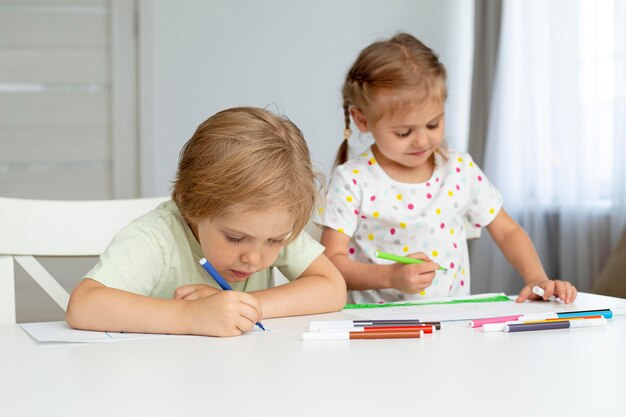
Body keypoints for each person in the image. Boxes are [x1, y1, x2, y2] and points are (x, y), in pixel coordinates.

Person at [316, 33, 577, 305]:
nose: (422, 140)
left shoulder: (459, 169)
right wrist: (390, 276)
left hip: (450, 322)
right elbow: (331, 263)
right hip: (376, 326)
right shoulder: (353, 180)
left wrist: (536, 278)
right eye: (404, 132)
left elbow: (507, 231)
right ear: (362, 120)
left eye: (433, 124)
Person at [66, 107, 347, 337]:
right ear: (191, 205)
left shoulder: (271, 223)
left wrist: (248, 307)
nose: (254, 257)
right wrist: (192, 316)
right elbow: (84, 306)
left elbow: (333, 288)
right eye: (235, 238)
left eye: (275, 241)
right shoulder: (157, 238)